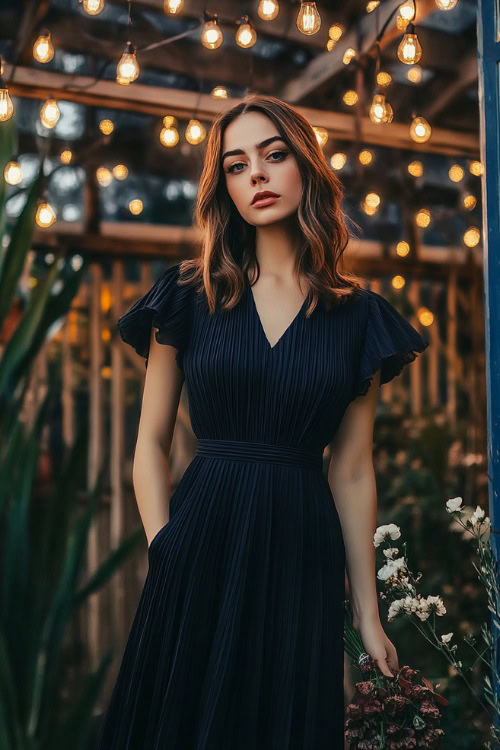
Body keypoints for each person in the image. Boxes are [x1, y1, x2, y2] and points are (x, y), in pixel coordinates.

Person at [97, 94, 429, 749]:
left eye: (274, 156)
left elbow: (354, 470)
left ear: (305, 167)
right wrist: (164, 545)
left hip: (300, 549)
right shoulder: (188, 295)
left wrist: (368, 614)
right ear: (223, 186)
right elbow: (149, 443)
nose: (257, 175)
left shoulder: (360, 318)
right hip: (199, 540)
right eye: (237, 165)